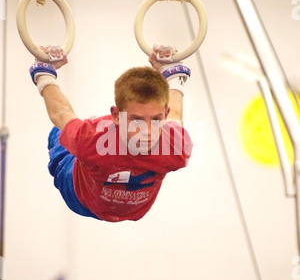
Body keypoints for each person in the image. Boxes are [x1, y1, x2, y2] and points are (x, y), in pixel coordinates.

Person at [29, 45, 193, 223]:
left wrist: (172, 75)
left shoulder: (175, 146)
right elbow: (60, 112)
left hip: (134, 211)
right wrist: (44, 74)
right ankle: (80, 133)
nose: (147, 131)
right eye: (136, 120)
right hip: (79, 198)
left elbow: (175, 116)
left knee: (80, 133)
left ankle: (103, 124)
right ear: (115, 115)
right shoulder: (91, 141)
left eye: (156, 120)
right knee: (61, 132)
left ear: (164, 116)